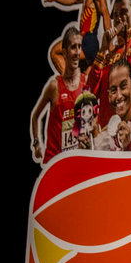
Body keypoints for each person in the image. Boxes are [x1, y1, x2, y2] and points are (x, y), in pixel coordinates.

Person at [31, 27, 88, 163]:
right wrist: (37, 143)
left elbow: (90, 121)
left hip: (75, 160)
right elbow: (35, 116)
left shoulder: (85, 83)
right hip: (54, 161)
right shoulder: (54, 86)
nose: (77, 52)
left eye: (79, 47)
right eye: (73, 47)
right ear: (64, 52)